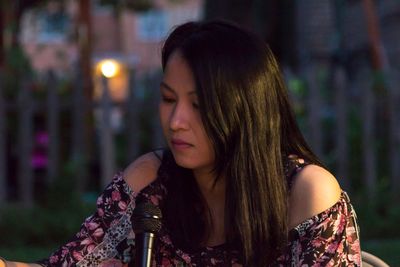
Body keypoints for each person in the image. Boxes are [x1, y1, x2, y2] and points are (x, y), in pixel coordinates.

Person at [0, 19, 361, 267]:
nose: (175, 122)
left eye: (199, 105)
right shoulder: (150, 182)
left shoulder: (306, 193)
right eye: (169, 99)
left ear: (246, 110)